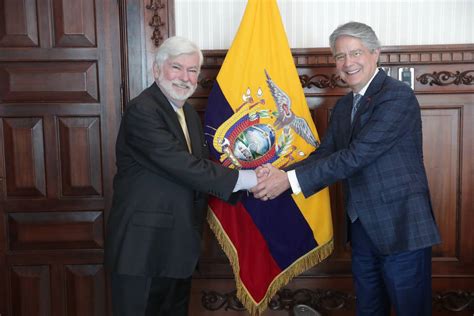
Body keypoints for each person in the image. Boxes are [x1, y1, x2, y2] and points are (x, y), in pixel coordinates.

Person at [251, 22, 441, 316]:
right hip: (362, 227)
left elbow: (357, 155)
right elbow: (326, 154)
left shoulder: (396, 96)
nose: (348, 63)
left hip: (402, 227)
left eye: (356, 53)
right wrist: (277, 173)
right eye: (340, 56)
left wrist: (288, 181)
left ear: (375, 53)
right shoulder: (343, 107)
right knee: (368, 308)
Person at [104, 36, 257, 316]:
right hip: (143, 251)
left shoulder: (186, 111)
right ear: (156, 70)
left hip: (177, 249)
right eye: (176, 68)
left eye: (192, 70)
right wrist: (251, 179)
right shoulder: (143, 110)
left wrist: (253, 172)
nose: (184, 77)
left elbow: (198, 169)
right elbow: (182, 165)